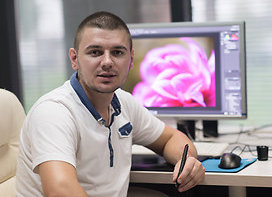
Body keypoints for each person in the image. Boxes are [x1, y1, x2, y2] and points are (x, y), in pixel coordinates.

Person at [15, 11, 205, 197]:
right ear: (74, 59)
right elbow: (60, 191)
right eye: (95, 52)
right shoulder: (54, 111)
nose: (107, 62)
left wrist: (187, 160)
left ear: (130, 60)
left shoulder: (124, 102)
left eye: (117, 52)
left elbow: (171, 138)